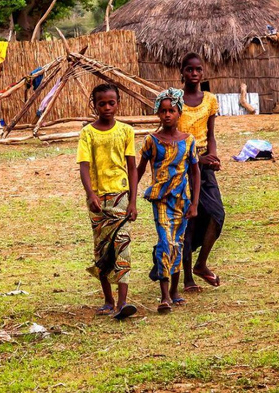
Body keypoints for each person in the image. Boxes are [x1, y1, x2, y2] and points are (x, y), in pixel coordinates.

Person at [137, 88, 201, 313]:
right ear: (157, 113)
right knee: (166, 243)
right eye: (163, 111)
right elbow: (139, 170)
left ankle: (175, 291)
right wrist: (130, 198)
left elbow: (195, 172)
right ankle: (164, 296)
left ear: (179, 112)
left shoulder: (189, 141)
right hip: (161, 200)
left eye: (171, 111)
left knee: (178, 244)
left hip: (182, 201)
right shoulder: (151, 141)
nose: (167, 115)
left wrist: (194, 203)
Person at [77, 84, 138, 320]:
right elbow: (84, 166)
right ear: (95, 105)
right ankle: (108, 300)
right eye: (102, 103)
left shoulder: (126, 131)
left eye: (111, 103)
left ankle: (123, 303)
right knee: (102, 248)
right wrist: (91, 194)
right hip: (98, 200)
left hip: (121, 196)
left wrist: (133, 200)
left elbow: (132, 167)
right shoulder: (87, 133)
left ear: (118, 103)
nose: (107, 107)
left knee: (123, 246)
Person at [178, 52, 225, 291]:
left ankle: (201, 264)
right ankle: (187, 278)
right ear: (182, 72)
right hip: (180, 166)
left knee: (216, 215)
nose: (194, 74)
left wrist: (213, 158)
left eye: (198, 70)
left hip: (205, 167)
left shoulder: (209, 100)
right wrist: (196, 158)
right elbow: (169, 136)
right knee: (189, 222)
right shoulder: (175, 100)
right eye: (189, 70)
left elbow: (211, 136)